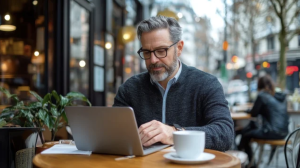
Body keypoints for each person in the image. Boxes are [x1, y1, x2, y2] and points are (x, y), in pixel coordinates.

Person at [113, 16, 234, 151]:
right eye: (146, 52)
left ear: (179, 48)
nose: (153, 60)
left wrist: (175, 134)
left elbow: (225, 134)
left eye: (161, 51)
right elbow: (113, 134)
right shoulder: (130, 89)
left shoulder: (206, 84)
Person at [237, 75, 289, 166]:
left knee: (245, 134)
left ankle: (247, 161)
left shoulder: (262, 96)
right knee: (247, 131)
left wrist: (246, 110)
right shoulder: (279, 96)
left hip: (271, 132)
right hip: (284, 133)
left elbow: (254, 113)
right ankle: (249, 160)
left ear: (259, 85)